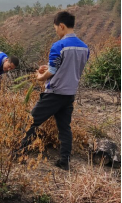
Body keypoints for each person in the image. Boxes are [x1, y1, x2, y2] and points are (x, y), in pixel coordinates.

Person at [19, 11, 89, 171]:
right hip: (69, 94)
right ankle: (64, 161)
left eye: (56, 28)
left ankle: (18, 153)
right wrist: (49, 66)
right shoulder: (84, 48)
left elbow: (52, 72)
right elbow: (68, 66)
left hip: (54, 93)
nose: (56, 31)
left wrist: (40, 76)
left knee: (32, 121)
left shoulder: (59, 45)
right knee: (65, 128)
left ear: (62, 26)